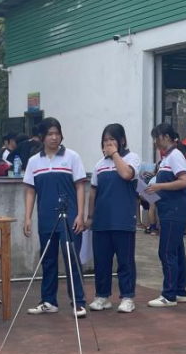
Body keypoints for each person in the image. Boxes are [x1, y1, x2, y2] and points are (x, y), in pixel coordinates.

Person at [22, 117, 89, 317]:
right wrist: (27, 218)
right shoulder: (34, 161)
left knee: (71, 259)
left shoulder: (72, 157)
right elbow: (30, 191)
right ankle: (49, 301)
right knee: (48, 260)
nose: (54, 137)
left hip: (69, 217)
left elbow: (80, 186)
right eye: (50, 134)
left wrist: (80, 215)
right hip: (46, 217)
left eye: (57, 133)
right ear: (42, 136)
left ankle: (78, 302)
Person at [87, 123, 141, 314]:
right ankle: (102, 296)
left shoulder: (132, 158)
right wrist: (90, 216)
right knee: (102, 261)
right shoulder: (99, 165)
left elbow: (127, 174)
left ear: (122, 141)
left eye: (112, 140)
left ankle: (127, 297)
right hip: (102, 221)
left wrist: (115, 155)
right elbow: (93, 192)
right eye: (105, 140)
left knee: (125, 261)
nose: (108, 144)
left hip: (123, 220)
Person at [145, 123, 186, 307]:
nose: (155, 142)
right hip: (168, 209)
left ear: (166, 137)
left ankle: (169, 294)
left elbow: (184, 181)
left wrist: (159, 186)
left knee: (166, 251)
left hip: (174, 210)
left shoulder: (175, 156)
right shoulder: (166, 158)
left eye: (156, 138)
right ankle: (180, 291)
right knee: (176, 250)